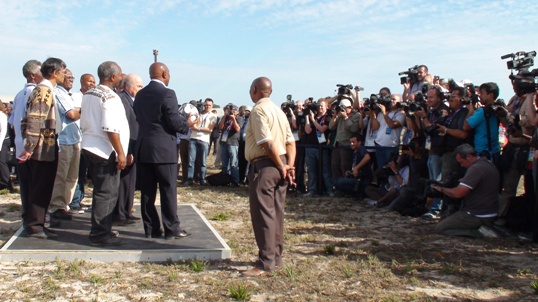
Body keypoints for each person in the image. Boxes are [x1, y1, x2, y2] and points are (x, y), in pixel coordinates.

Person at [242, 77, 295, 277]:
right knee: (277, 213)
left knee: (263, 214)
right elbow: (290, 142)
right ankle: (276, 256)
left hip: (265, 166)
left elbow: (267, 142)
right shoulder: (279, 112)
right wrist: (289, 165)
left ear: (255, 89)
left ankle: (265, 262)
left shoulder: (258, 110)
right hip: (280, 163)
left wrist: (282, 166)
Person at [134, 62, 193, 240]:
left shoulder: (140, 94)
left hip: (144, 148)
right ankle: (171, 228)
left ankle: (151, 228)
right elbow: (174, 121)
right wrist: (186, 125)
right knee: (168, 190)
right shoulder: (168, 93)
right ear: (165, 74)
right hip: (163, 150)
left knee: (147, 192)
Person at [81, 61, 129, 246]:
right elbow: (110, 128)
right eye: (120, 74)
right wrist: (120, 152)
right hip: (104, 149)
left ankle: (103, 228)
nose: (121, 77)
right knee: (106, 193)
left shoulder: (89, 93)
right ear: (112, 77)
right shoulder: (110, 97)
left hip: (89, 144)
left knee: (100, 192)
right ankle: (100, 234)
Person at [18, 57, 66, 239]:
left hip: (47, 146)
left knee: (44, 187)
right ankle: (35, 226)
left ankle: (39, 223)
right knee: (40, 187)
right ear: (54, 73)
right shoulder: (44, 91)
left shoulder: (46, 90)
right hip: (41, 148)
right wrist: (29, 147)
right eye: (62, 71)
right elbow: (35, 120)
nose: (64, 75)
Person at [431, 144, 500, 238]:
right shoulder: (487, 163)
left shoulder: (476, 168)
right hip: (489, 211)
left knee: (440, 228)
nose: (462, 165)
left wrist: (442, 189)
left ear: (469, 156)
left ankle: (478, 232)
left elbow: (457, 194)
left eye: (462, 162)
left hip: (478, 214)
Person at [9, 59, 42, 219]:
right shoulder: (35, 92)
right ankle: (34, 219)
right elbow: (33, 120)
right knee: (35, 185)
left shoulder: (18, 95)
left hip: (20, 145)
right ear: (33, 75)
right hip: (32, 146)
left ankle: (27, 215)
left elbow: (13, 122)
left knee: (25, 185)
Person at [49, 69, 81, 223]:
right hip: (64, 140)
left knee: (72, 176)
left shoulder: (69, 95)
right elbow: (71, 114)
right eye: (67, 77)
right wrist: (85, 109)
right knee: (61, 176)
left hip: (75, 139)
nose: (70, 80)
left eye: (72, 77)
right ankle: (56, 206)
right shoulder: (58, 92)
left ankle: (65, 204)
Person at [114, 74, 143, 225]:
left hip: (134, 146)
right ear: (127, 86)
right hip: (126, 146)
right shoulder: (121, 99)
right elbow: (125, 128)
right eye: (138, 86)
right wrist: (128, 150)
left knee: (130, 181)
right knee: (123, 182)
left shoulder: (132, 100)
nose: (141, 89)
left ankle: (127, 210)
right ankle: (119, 213)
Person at [69, 73, 95, 210]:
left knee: (84, 172)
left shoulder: (92, 97)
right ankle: (74, 201)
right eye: (89, 81)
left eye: (93, 81)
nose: (92, 84)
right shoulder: (76, 97)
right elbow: (74, 114)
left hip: (88, 140)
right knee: (76, 173)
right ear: (81, 81)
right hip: (76, 138)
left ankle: (79, 198)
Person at [304, 99, 334, 196]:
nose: (320, 107)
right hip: (310, 146)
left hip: (322, 147)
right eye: (319, 106)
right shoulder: (314, 117)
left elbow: (322, 129)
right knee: (311, 171)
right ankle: (312, 190)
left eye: (322, 106)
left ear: (326, 107)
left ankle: (329, 190)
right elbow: (308, 130)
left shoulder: (327, 117)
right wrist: (307, 117)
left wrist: (313, 120)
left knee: (325, 170)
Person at [185, 98, 217, 185]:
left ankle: (202, 179)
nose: (207, 107)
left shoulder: (213, 116)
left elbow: (210, 129)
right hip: (193, 138)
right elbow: (192, 125)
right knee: (191, 161)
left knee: (203, 161)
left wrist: (198, 129)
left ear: (212, 106)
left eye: (209, 105)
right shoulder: (198, 113)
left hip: (204, 140)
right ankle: (190, 179)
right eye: (206, 105)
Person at [333, 134, 372, 199]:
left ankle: (359, 193)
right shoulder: (354, 152)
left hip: (363, 180)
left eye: (353, 142)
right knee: (339, 183)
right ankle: (356, 194)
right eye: (350, 142)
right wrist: (350, 172)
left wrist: (356, 168)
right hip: (356, 179)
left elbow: (367, 157)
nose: (351, 144)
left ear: (359, 142)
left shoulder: (361, 149)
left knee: (337, 181)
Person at [218, 104, 242, 186]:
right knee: (224, 163)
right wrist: (225, 116)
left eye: (234, 110)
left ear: (237, 112)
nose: (232, 111)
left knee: (233, 163)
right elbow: (220, 127)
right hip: (224, 142)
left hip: (233, 143)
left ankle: (235, 181)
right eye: (230, 110)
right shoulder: (225, 118)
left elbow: (238, 129)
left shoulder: (239, 118)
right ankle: (225, 180)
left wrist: (233, 119)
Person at [238, 106, 251, 184]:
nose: (246, 112)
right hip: (241, 142)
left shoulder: (252, 121)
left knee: (247, 161)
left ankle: (246, 178)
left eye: (248, 111)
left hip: (248, 142)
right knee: (241, 160)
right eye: (245, 111)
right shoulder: (242, 119)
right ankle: (240, 176)